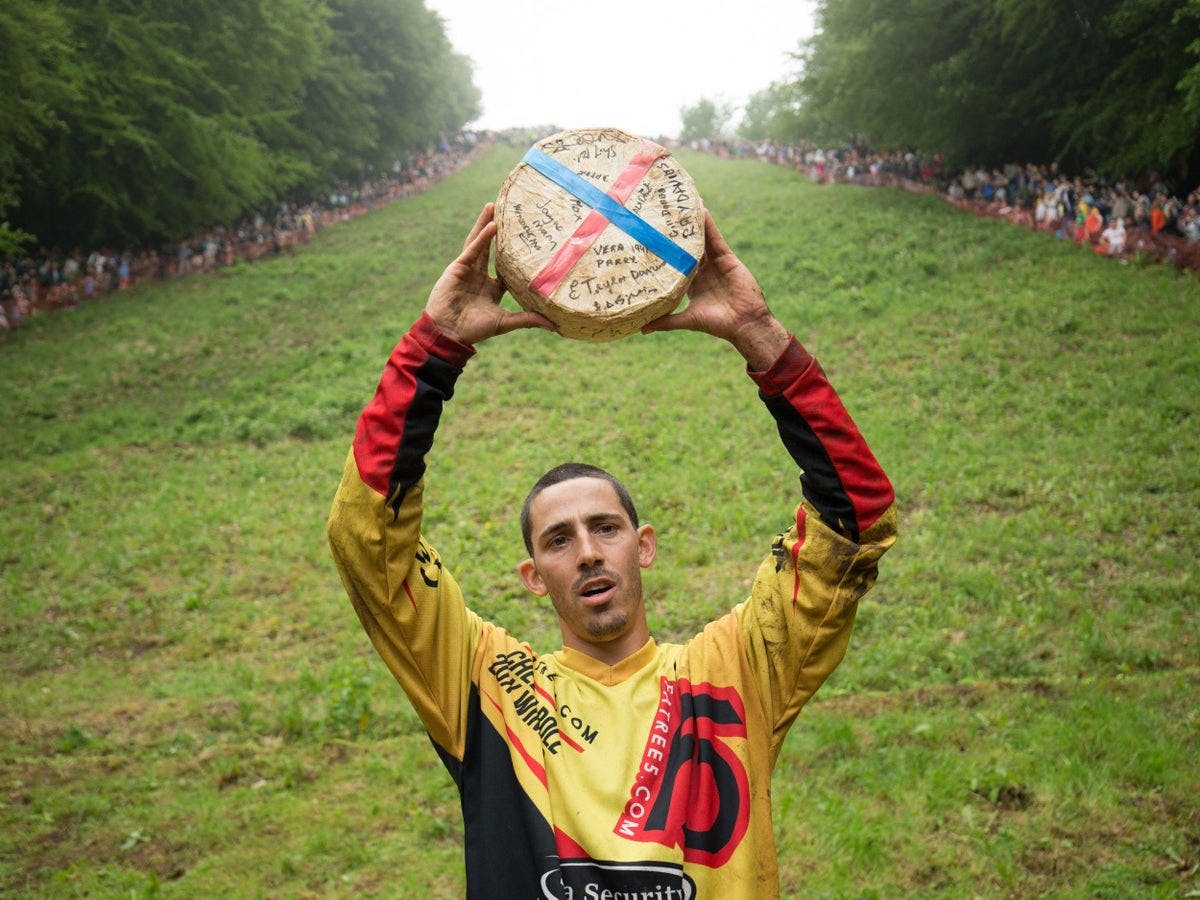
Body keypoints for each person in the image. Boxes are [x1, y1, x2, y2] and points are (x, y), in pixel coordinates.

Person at [327, 203, 898, 898]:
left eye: (606, 527)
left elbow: (854, 522)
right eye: (559, 541)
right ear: (534, 577)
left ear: (643, 545)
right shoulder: (485, 686)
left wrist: (760, 338)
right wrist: (435, 348)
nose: (589, 553)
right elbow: (367, 539)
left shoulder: (739, 667)